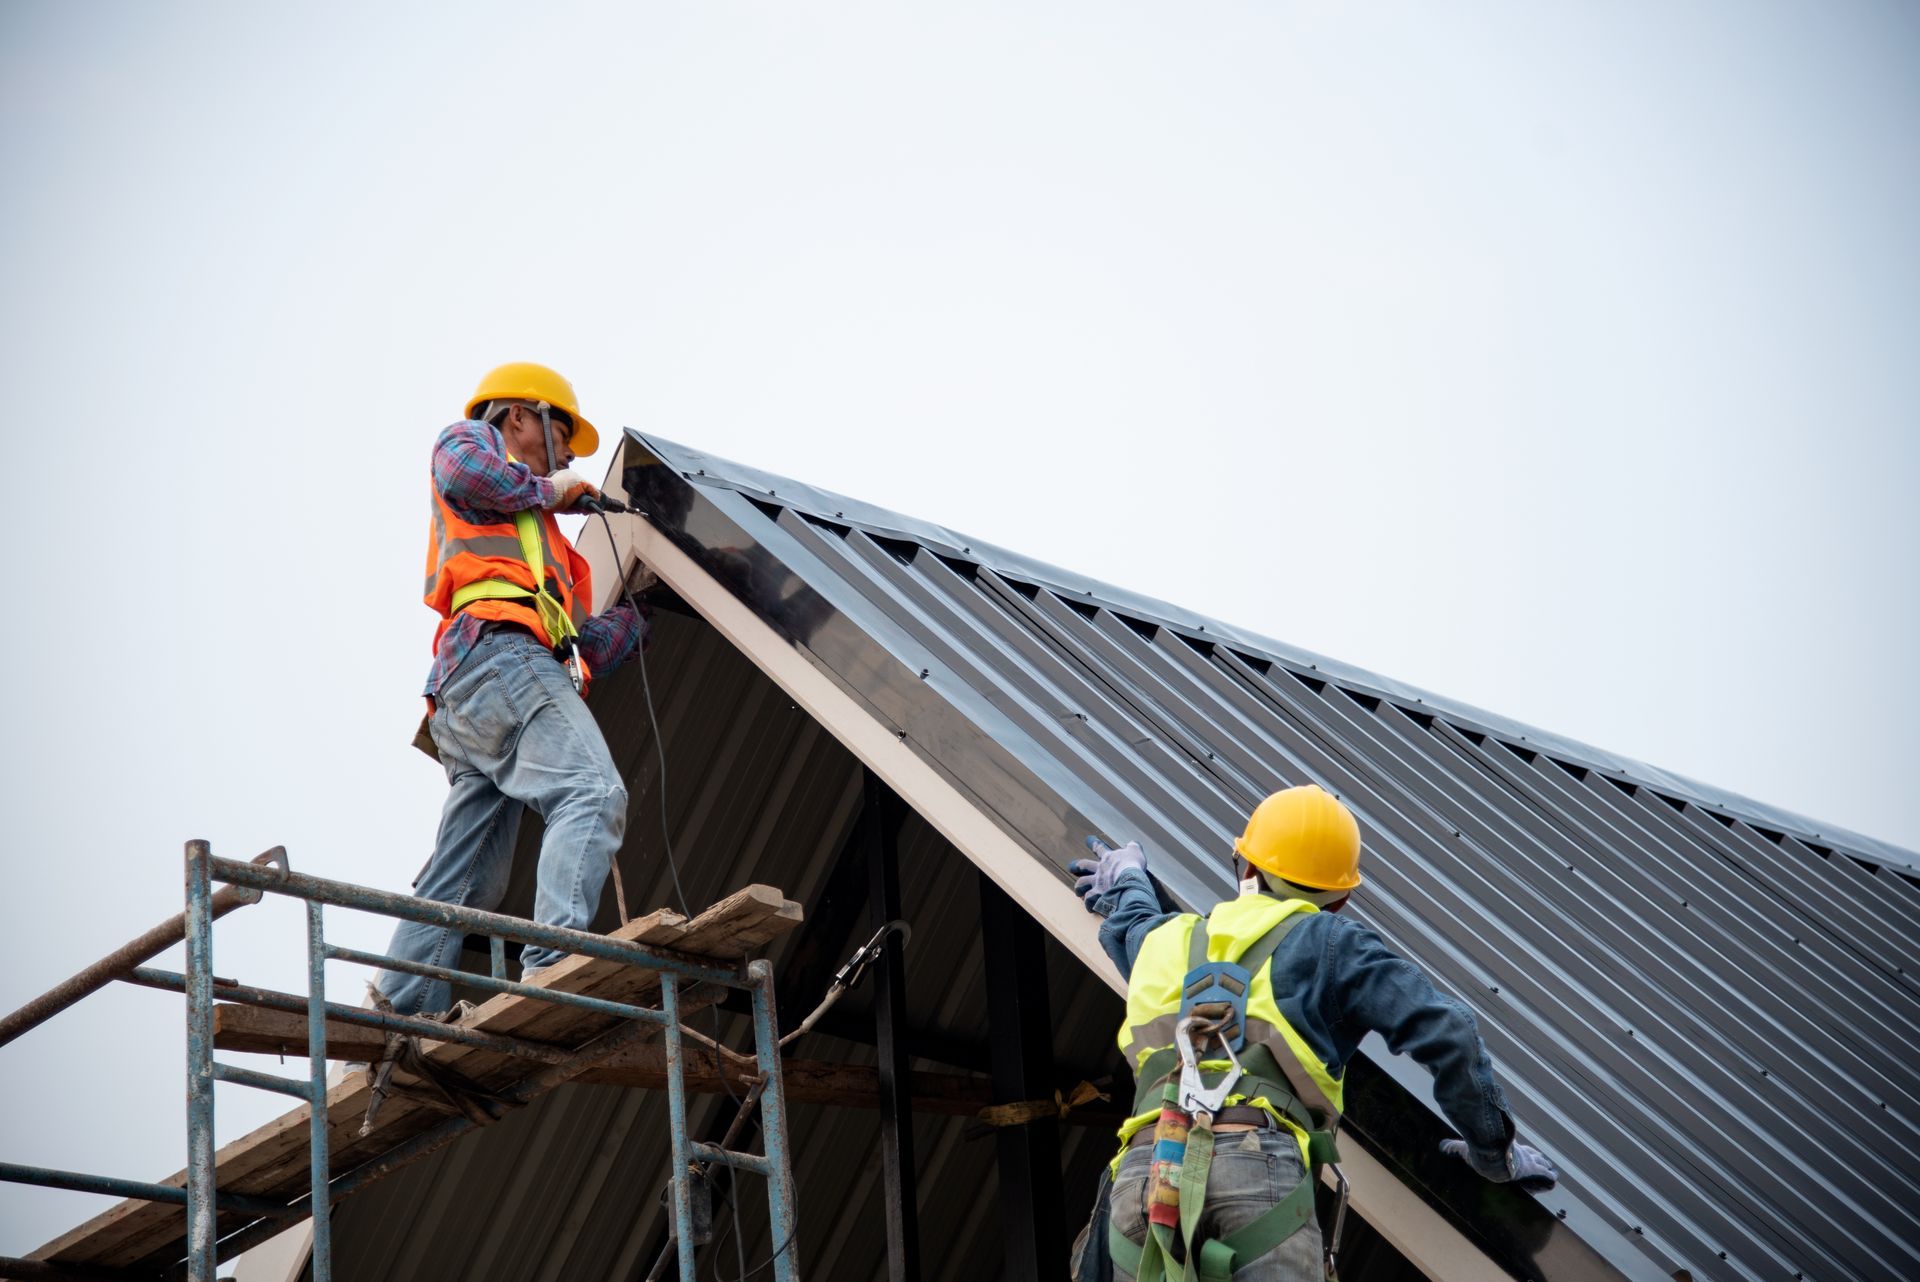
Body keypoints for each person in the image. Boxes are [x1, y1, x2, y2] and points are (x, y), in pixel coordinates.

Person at [1067, 783, 1557, 1282]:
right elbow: (1450, 1030)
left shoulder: (1165, 941)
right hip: (1257, 1174)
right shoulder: (1333, 944)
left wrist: (1128, 878)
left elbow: (1133, 924)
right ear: (1340, 899)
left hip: (1148, 1180)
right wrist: (1493, 1152)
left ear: (1246, 867)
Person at [376, 361, 646, 1018]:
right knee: (590, 790)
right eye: (560, 432)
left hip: (482, 688)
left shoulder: (544, 544)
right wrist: (554, 489)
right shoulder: (468, 443)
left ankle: (403, 1003)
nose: (565, 454)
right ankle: (551, 963)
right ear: (518, 415)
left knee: (471, 871)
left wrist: (637, 616)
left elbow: (577, 646)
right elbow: (469, 476)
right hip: (495, 659)